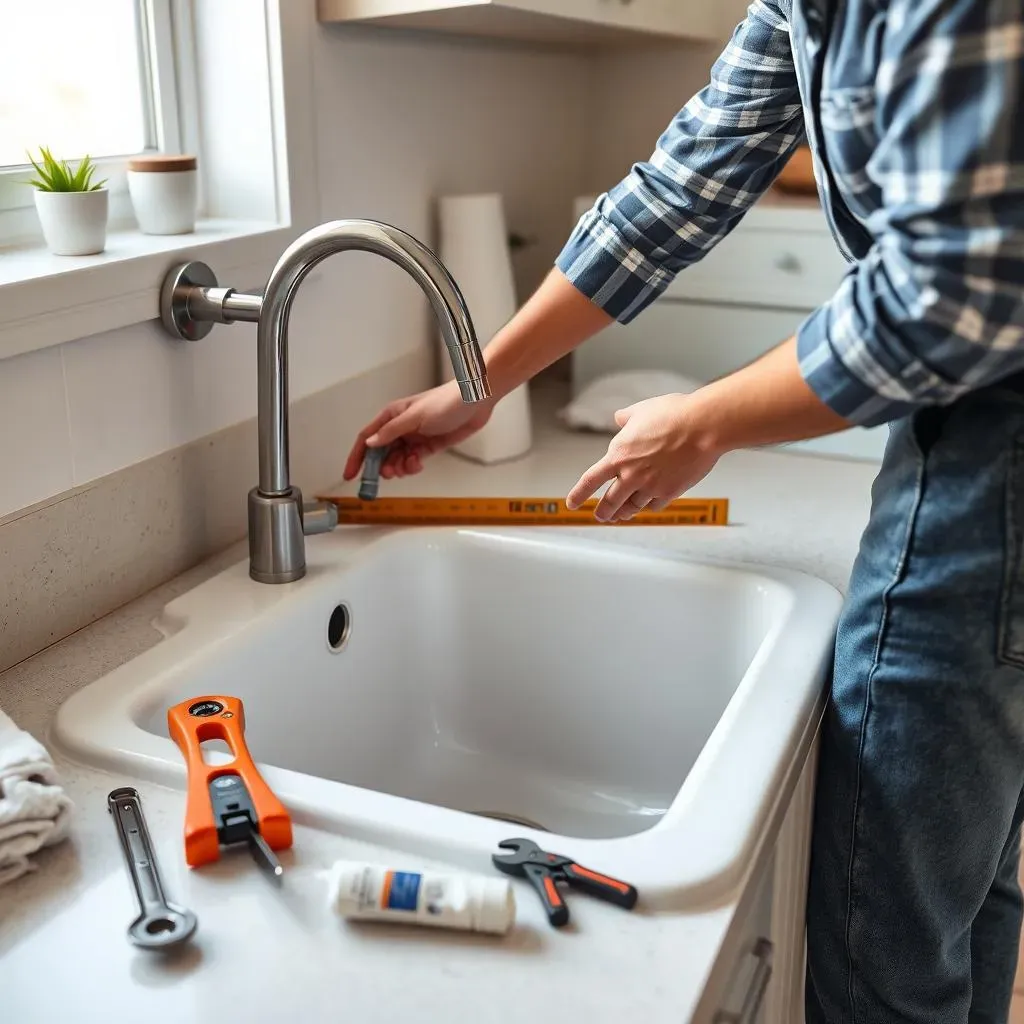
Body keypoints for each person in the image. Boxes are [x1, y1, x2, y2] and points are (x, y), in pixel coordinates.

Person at [345, 2, 1024, 1019]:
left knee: (884, 937)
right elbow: (677, 188)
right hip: (971, 436)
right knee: (964, 889)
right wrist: (480, 383)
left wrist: (706, 422)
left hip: (991, 446)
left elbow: (947, 295)